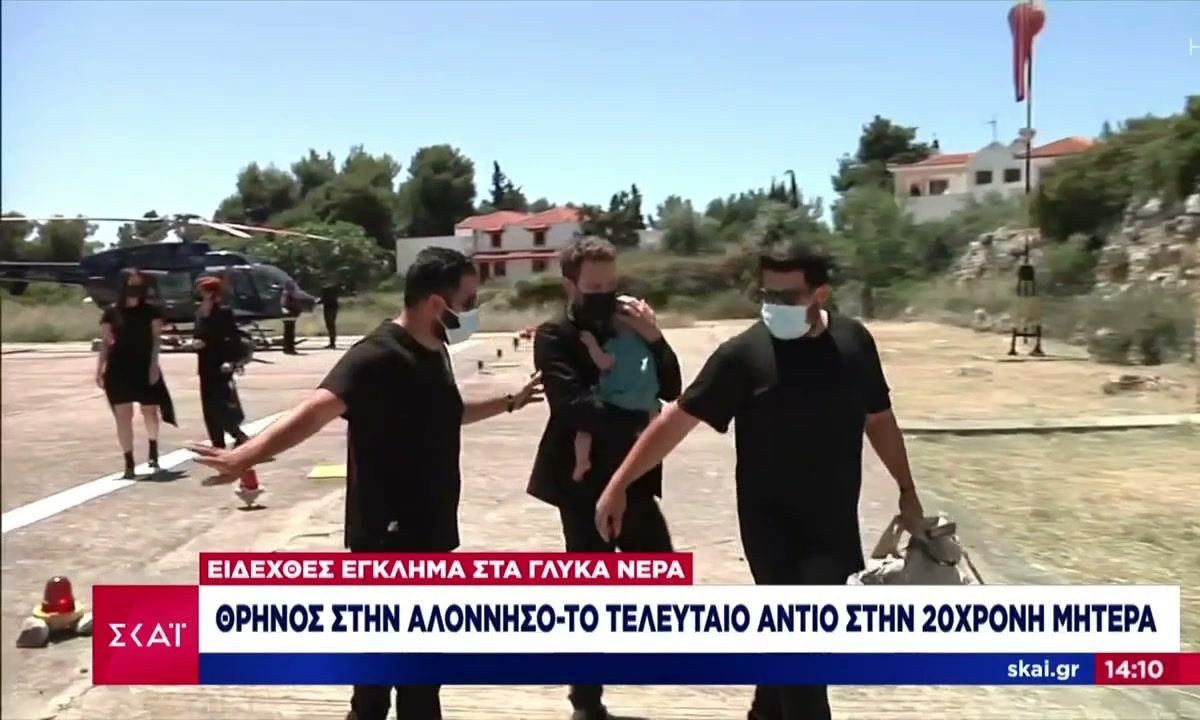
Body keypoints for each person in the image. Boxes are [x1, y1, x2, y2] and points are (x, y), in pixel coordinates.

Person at [191, 247, 542, 720]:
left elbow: (445, 413)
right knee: (376, 682)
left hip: (432, 531)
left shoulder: (433, 348)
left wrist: (510, 401)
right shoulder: (377, 355)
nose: (473, 310)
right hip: (386, 537)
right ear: (436, 304)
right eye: (468, 300)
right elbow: (316, 409)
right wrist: (245, 456)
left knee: (422, 678)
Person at [593, 241, 927, 720]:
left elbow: (879, 419)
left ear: (820, 294)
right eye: (766, 294)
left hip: (833, 524)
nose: (774, 306)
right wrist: (618, 484)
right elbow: (677, 420)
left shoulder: (854, 343)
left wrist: (907, 491)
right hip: (770, 526)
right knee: (802, 651)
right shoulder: (743, 356)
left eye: (787, 297)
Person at [527, 237, 681, 720]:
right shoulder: (555, 335)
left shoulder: (630, 325)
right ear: (570, 285)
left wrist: (656, 339)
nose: (606, 296)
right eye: (595, 288)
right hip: (582, 481)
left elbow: (672, 386)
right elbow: (572, 406)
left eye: (612, 285)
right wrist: (639, 424)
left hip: (635, 475)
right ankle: (586, 701)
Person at [97, 268, 177, 479]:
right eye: (131, 284)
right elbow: (105, 342)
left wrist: (154, 365)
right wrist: (100, 368)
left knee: (149, 411)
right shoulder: (111, 312)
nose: (135, 289)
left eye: (139, 284)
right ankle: (129, 462)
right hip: (118, 367)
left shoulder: (151, 311)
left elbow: (156, 340)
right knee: (123, 416)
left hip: (144, 365)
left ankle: (153, 449)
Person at [572, 311, 660, 481]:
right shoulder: (647, 343)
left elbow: (604, 363)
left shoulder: (617, 344)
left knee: (584, 428)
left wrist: (591, 344)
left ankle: (582, 461)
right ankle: (646, 459)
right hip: (644, 400)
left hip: (617, 398)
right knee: (646, 433)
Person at [193, 276, 250, 450]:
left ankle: (237, 434)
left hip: (221, 364)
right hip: (205, 363)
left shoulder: (224, 311)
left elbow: (232, 338)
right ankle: (217, 443)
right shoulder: (200, 311)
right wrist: (195, 343)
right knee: (208, 407)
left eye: (204, 290)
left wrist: (231, 361)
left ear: (212, 292)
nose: (201, 293)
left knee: (223, 404)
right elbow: (198, 334)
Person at [321, 281, 340, 349]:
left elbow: (323, 300)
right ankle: (332, 342)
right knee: (331, 326)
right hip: (332, 309)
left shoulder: (327, 293)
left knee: (330, 326)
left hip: (329, 310)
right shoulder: (332, 294)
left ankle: (332, 343)